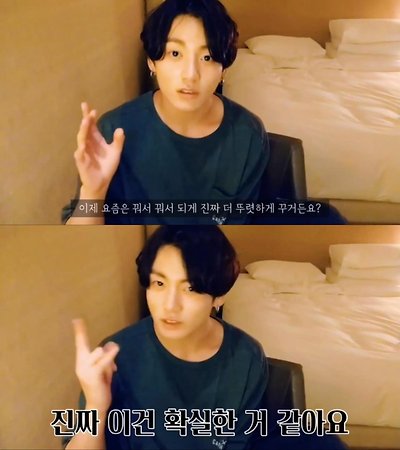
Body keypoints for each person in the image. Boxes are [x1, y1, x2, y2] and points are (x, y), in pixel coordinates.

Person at [63, 0, 269, 225]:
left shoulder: (248, 135)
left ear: (223, 70)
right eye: (175, 53)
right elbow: (82, 238)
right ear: (152, 62)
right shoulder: (114, 131)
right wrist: (93, 193)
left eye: (207, 57)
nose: (190, 75)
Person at [65, 225, 268, 449]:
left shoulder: (246, 357)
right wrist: (95, 407)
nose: (170, 306)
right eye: (159, 283)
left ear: (219, 296)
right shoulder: (116, 358)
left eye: (190, 288)